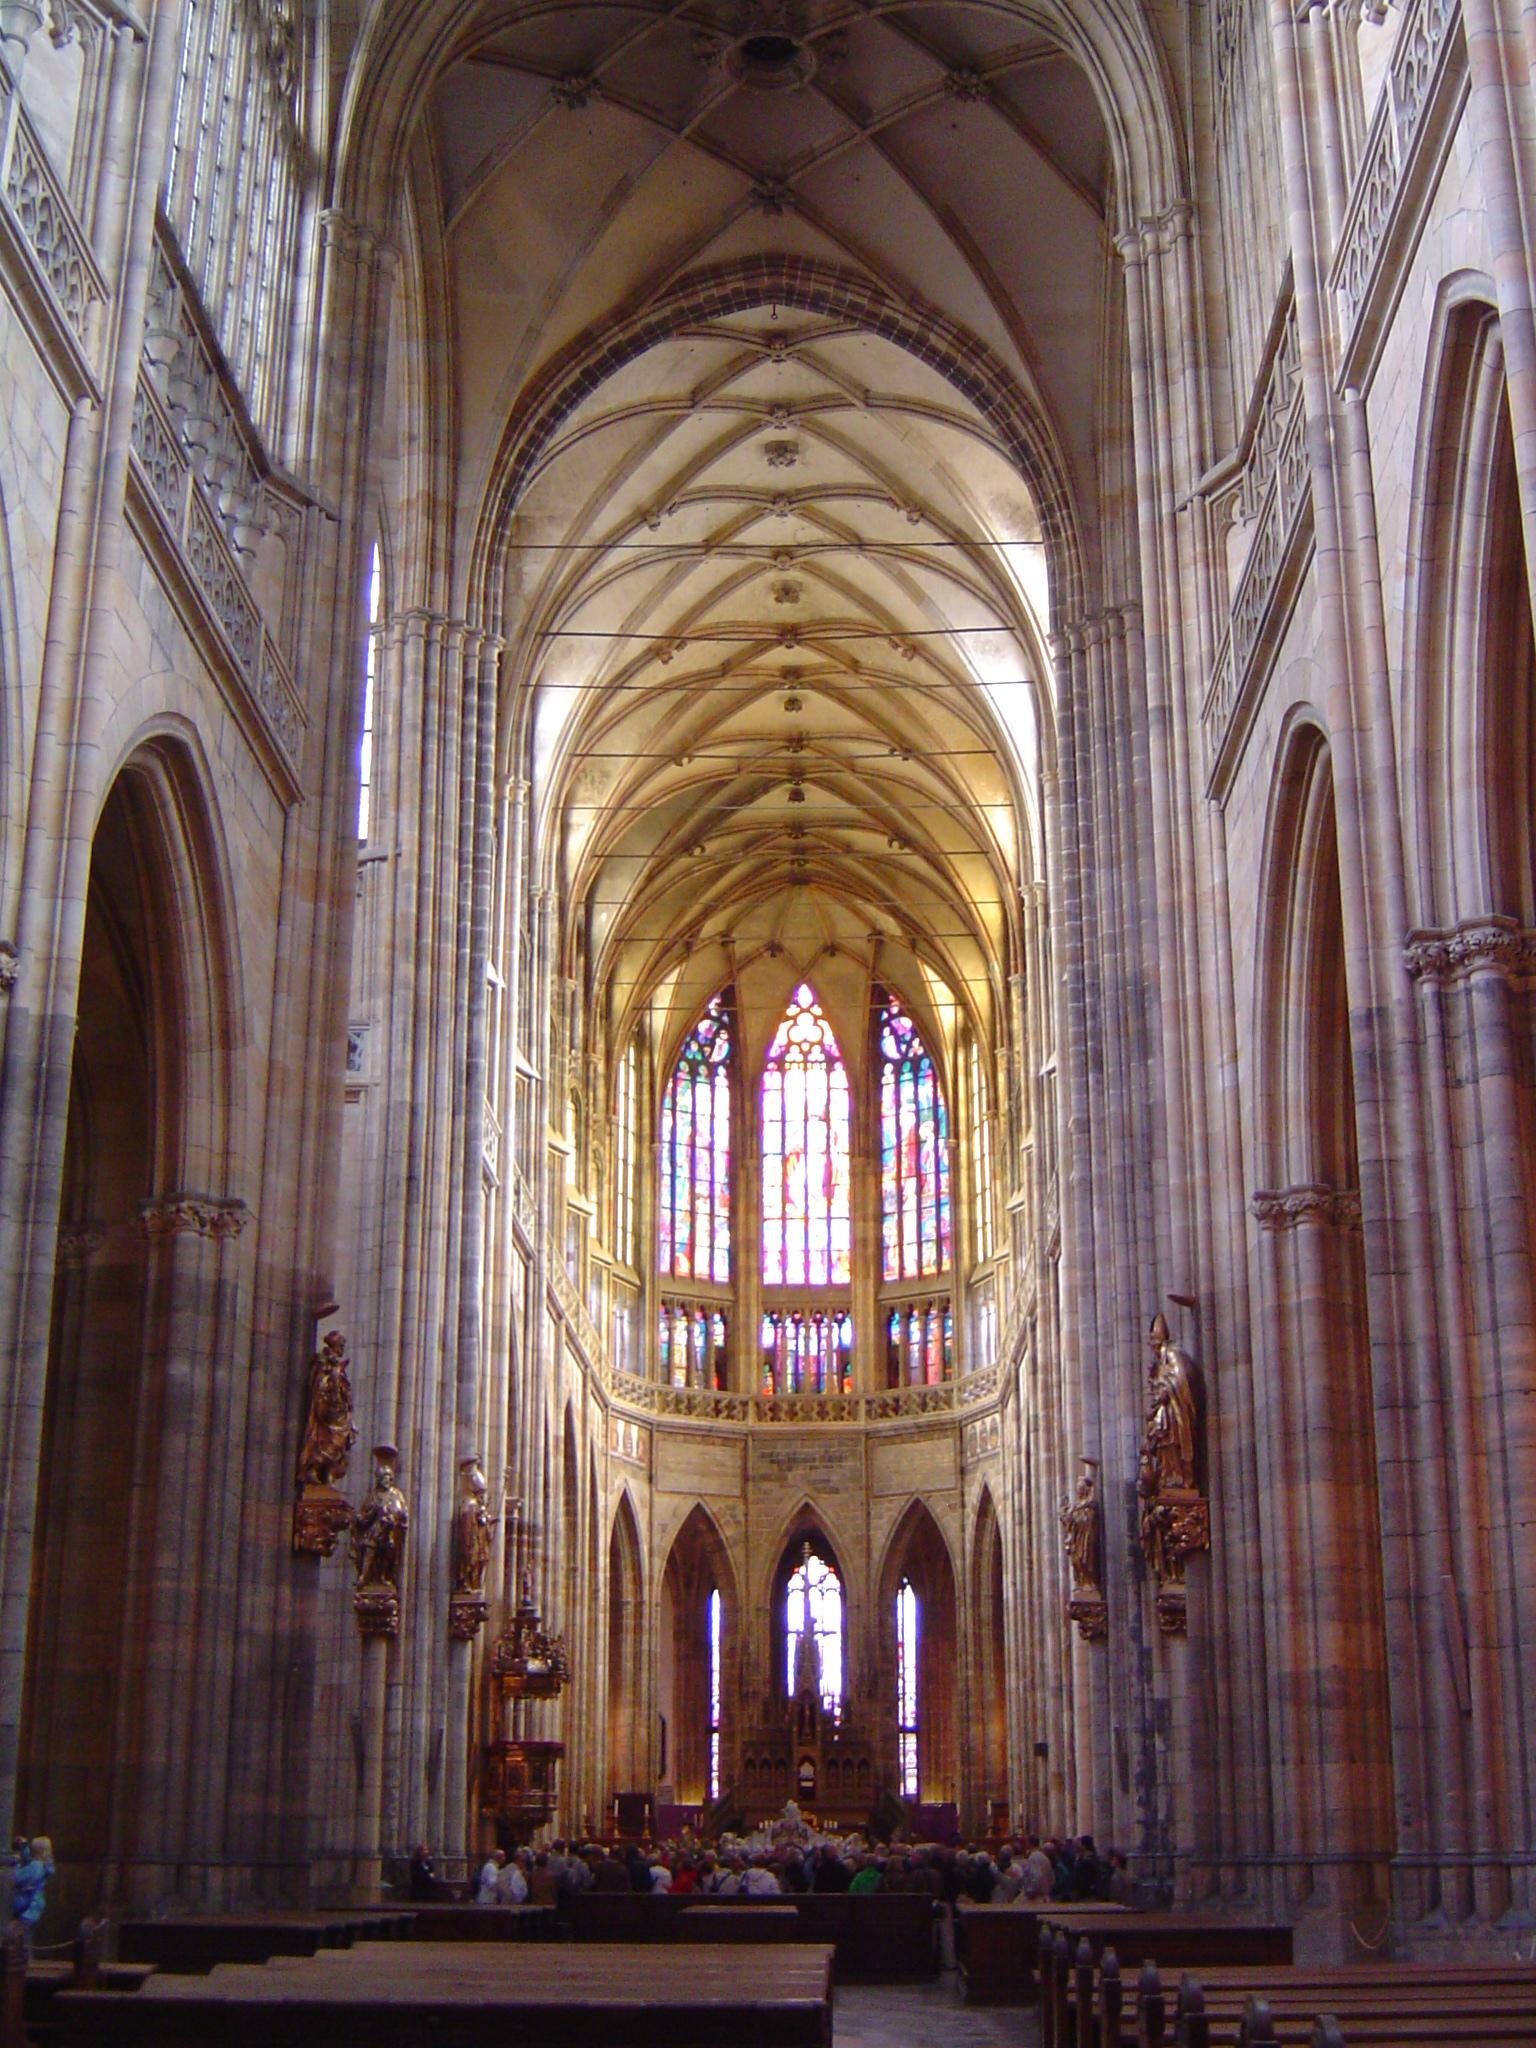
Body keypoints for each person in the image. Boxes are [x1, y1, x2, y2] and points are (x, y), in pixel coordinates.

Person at [11, 1836, 50, 1947]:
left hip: (29, 1910)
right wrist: (22, 1847)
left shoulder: (37, 1866)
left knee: (23, 1943)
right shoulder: (39, 1865)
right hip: (30, 1908)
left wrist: (14, 1863)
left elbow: (17, 1878)